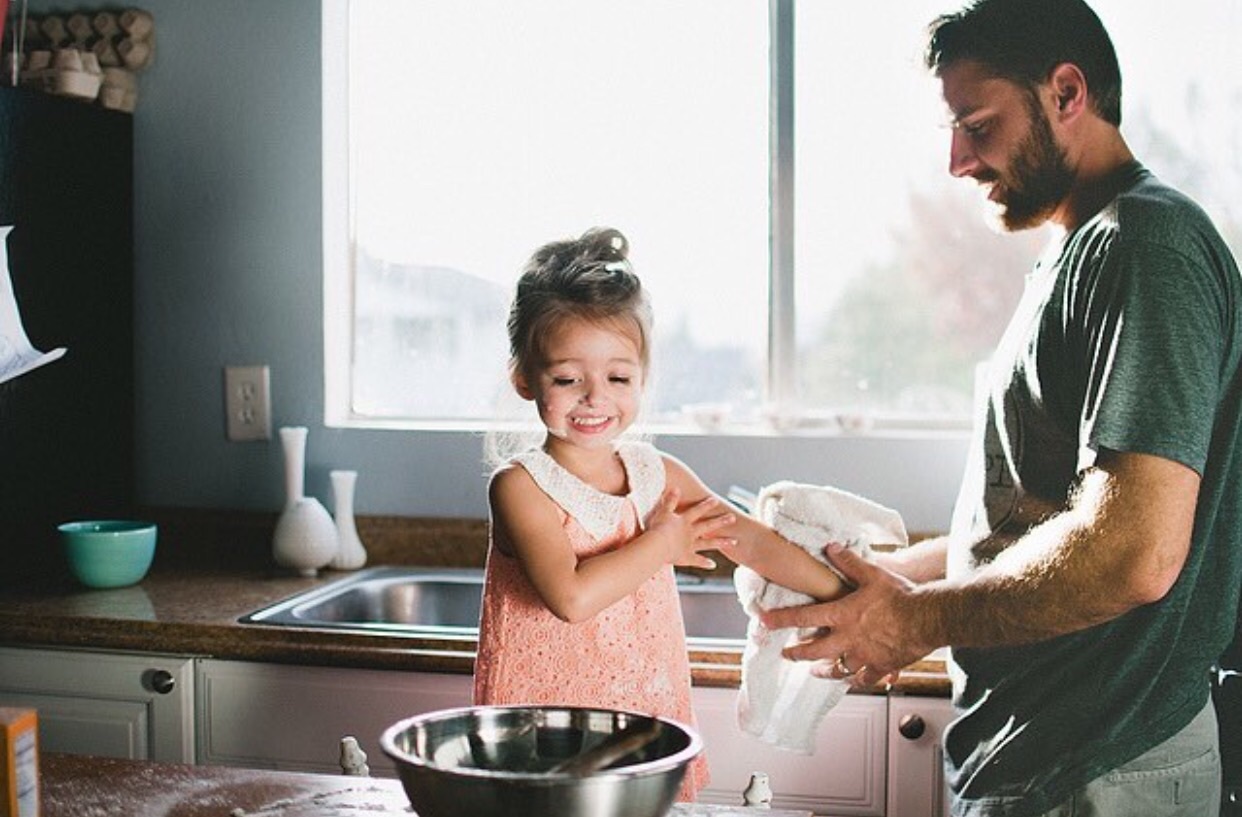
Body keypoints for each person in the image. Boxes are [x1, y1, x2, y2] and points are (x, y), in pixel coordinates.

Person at [763, 1, 1242, 815]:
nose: (956, 161)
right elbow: (1036, 520)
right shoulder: (1076, 253)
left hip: (1098, 767)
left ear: (1066, 92)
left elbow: (1134, 550)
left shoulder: (1145, 247)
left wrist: (915, 622)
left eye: (977, 126)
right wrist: (882, 583)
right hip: (1045, 765)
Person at [472, 226, 844, 801]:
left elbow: (747, 540)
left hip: (641, 714)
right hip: (542, 732)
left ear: (642, 378)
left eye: (618, 377)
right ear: (525, 377)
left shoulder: (656, 475)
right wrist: (662, 545)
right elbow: (569, 598)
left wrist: (842, 594)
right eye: (568, 379)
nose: (595, 397)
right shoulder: (521, 487)